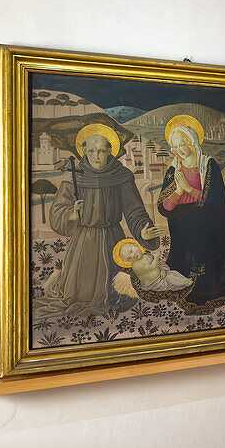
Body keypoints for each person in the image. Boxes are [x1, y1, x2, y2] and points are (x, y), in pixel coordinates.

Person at [38, 125, 162, 317]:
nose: (96, 156)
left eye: (102, 151)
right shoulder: (74, 177)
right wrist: (72, 213)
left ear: (110, 151)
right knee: (81, 292)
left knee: (118, 288)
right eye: (92, 151)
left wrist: (142, 230)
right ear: (84, 151)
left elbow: (134, 210)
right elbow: (57, 211)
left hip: (114, 239)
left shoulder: (121, 176)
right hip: (83, 241)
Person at [158, 117, 225, 310]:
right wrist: (179, 191)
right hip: (181, 228)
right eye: (175, 146)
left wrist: (187, 187)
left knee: (208, 272)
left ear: (193, 142)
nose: (178, 150)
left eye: (182, 145)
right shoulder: (173, 170)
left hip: (207, 226)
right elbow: (164, 208)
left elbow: (213, 202)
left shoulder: (208, 166)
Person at [114, 238, 192, 292]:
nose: (133, 255)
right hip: (154, 283)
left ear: (136, 245)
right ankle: (186, 282)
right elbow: (152, 267)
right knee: (171, 277)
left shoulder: (147, 256)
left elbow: (160, 263)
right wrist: (156, 257)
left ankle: (184, 283)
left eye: (131, 251)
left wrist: (164, 270)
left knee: (172, 274)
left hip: (161, 277)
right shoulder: (136, 265)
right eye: (129, 258)